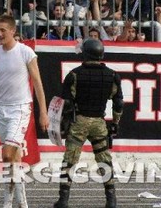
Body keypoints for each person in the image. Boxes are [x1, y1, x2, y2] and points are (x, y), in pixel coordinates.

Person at [0, 14, 49, 208]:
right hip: (0, 109)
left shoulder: (26, 52)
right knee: (15, 157)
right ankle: (22, 202)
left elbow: (38, 83)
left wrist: (43, 112)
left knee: (7, 155)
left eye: (3, 30)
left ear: (13, 31)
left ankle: (7, 201)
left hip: (20, 108)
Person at [53, 39, 123, 208]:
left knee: (70, 160)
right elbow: (118, 102)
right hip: (99, 122)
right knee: (104, 159)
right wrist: (115, 122)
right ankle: (111, 199)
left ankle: (63, 199)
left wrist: (64, 124)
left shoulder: (74, 74)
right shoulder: (112, 75)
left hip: (80, 121)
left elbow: (67, 103)